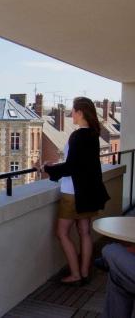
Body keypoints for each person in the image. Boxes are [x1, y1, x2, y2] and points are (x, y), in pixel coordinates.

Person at [42, 97, 110, 285]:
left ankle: (75, 274)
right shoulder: (93, 135)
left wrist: (46, 169)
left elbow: (72, 167)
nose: (71, 114)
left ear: (80, 112)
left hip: (73, 193)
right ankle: (85, 272)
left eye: (73, 110)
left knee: (62, 233)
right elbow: (82, 164)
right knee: (85, 232)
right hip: (88, 192)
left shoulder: (77, 136)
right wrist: (56, 165)